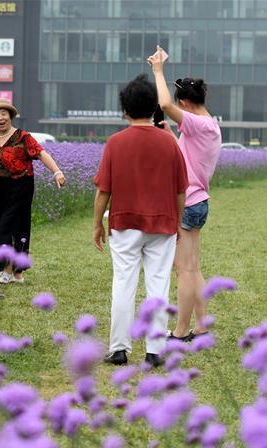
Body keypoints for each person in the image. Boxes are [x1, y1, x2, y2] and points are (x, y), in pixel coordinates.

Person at [93, 74, 189, 368]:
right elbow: (180, 190)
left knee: (123, 283)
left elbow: (103, 190)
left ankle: (119, 348)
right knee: (158, 284)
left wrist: (97, 223)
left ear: (125, 109)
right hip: (163, 223)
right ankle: (155, 350)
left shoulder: (115, 143)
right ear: (153, 108)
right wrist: (178, 222)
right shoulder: (169, 143)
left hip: (124, 222)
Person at [148, 47, 221, 343]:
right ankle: (201, 324)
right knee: (192, 268)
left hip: (188, 203)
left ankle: (180, 330)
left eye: (181, 108)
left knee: (184, 271)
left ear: (186, 104)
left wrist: (158, 70)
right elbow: (186, 157)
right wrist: (169, 135)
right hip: (199, 201)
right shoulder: (209, 125)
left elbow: (164, 103)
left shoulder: (197, 122)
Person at [0, 98, 66, 284]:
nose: (0, 118)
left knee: (11, 226)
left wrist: (57, 172)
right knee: (4, 227)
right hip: (0, 189)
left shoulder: (23, 137)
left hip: (21, 186)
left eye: (3, 114)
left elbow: (41, 153)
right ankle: (17, 272)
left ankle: (6, 270)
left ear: (10, 116)